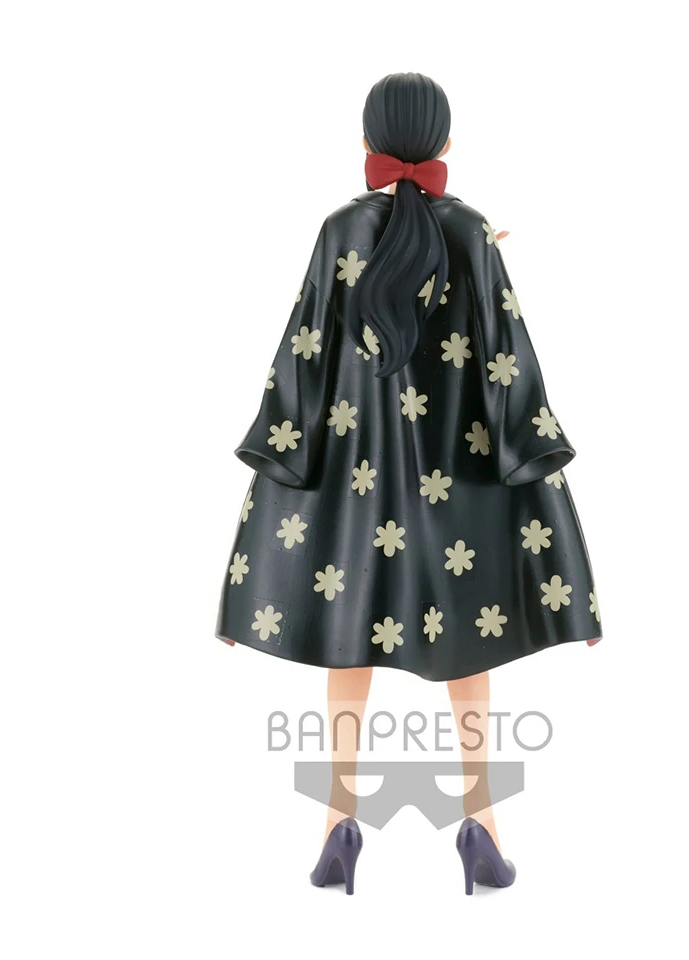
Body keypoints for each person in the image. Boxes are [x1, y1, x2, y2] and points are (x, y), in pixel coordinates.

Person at [215, 72, 602, 894]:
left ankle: (338, 825)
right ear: (446, 144)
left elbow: (304, 356)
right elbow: (508, 365)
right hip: (460, 479)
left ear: (366, 143)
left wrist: (276, 472)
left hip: (354, 484)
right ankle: (481, 826)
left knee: (346, 639)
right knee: (470, 638)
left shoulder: (339, 230)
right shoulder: (471, 232)